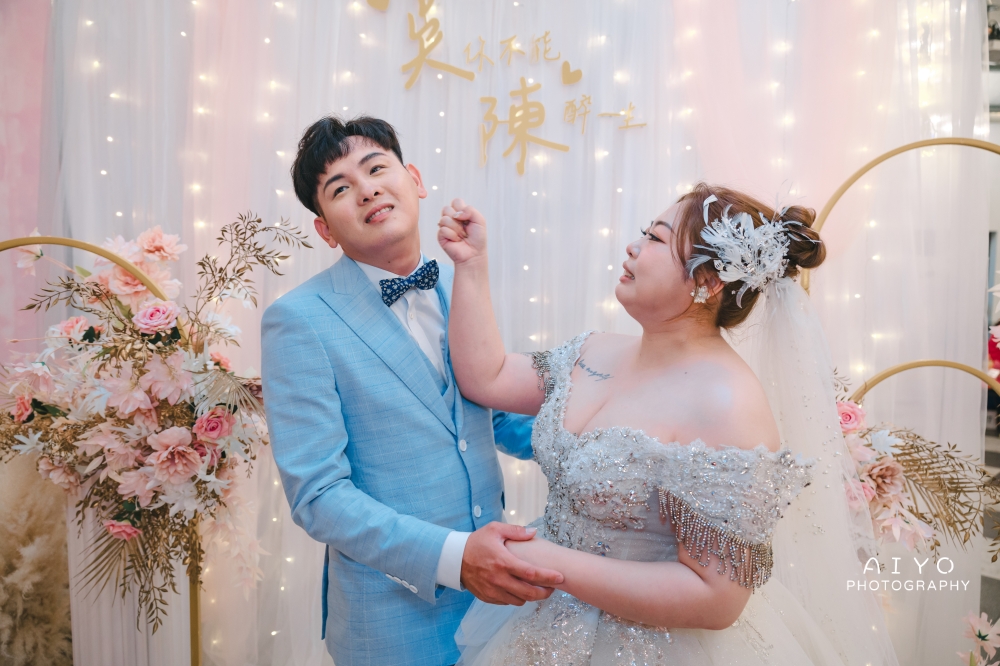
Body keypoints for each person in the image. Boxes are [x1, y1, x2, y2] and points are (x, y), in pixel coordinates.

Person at [437, 184, 900, 665]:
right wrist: (471, 264)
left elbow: (716, 599)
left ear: (709, 282)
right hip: (539, 623)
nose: (633, 247)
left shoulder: (727, 403)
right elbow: (488, 376)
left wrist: (553, 562)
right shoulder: (593, 351)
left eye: (655, 238)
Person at [260, 115, 564, 666]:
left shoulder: (458, 278)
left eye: (376, 168)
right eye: (340, 189)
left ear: (415, 180)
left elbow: (492, 413)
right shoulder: (298, 320)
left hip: (500, 604)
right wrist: (456, 558)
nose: (367, 190)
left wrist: (600, 442)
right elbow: (319, 496)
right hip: (392, 623)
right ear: (325, 231)